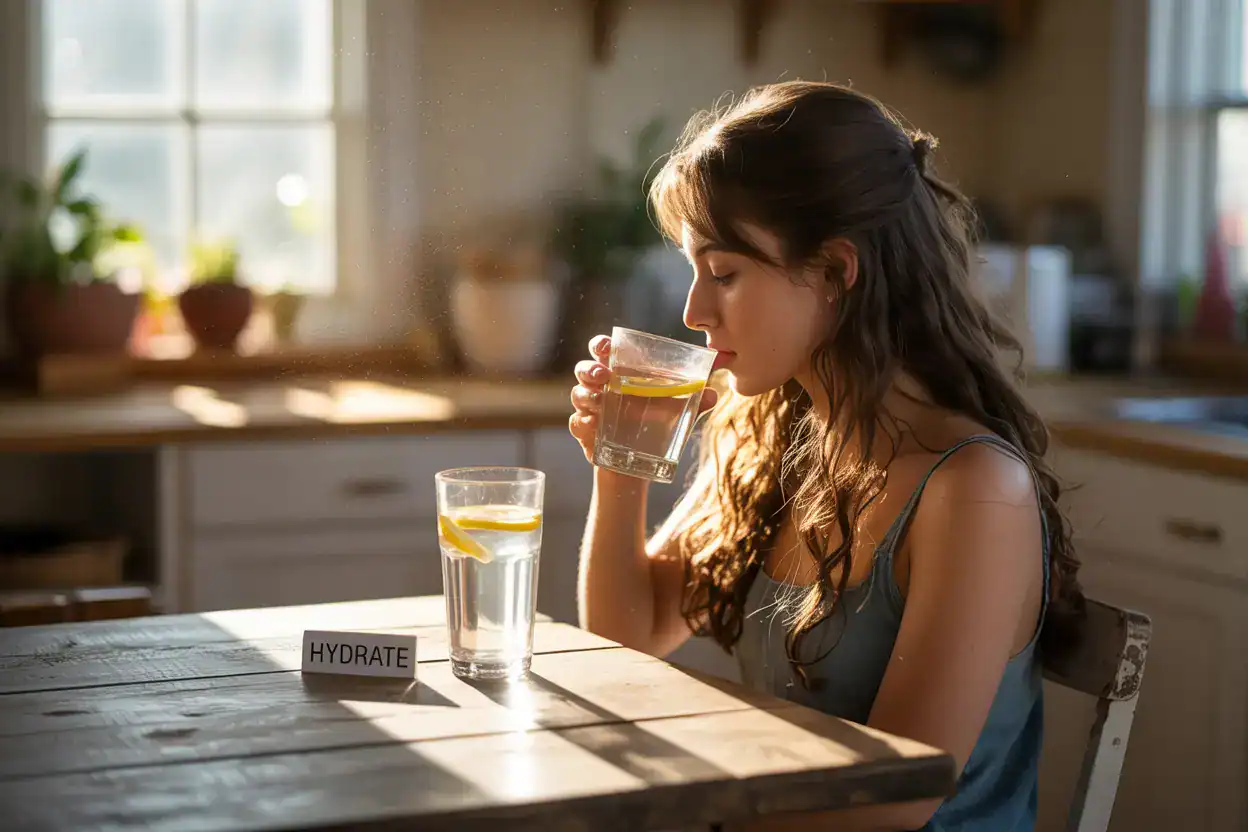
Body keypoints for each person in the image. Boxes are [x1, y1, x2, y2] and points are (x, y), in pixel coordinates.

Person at [567, 80, 1086, 831]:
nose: (692, 312)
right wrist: (619, 470)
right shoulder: (776, 432)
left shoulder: (974, 491)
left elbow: (896, 797)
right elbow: (630, 638)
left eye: (724, 273)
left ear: (837, 272)